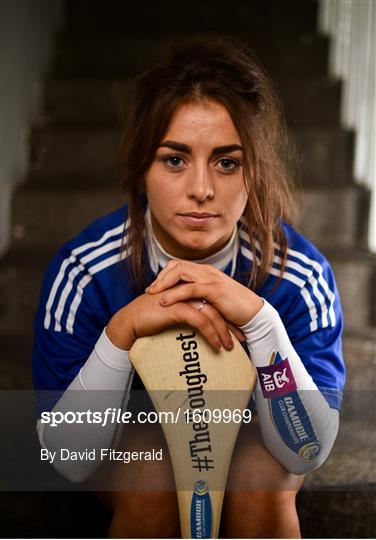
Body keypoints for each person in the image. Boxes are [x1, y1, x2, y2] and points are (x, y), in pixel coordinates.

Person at [32, 37, 345, 538]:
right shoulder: (85, 273)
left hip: (253, 438)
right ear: (141, 169)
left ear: (254, 172)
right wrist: (122, 332)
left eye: (227, 162)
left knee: (261, 480)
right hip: (137, 444)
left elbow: (304, 448)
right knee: (150, 478)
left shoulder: (299, 277)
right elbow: (71, 458)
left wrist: (261, 322)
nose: (201, 188)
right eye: (175, 159)